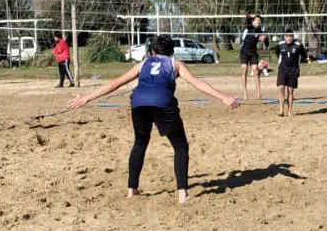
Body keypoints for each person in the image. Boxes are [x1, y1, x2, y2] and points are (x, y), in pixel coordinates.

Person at [67, 35, 239, 204]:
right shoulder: (176, 63)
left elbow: (114, 83)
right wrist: (223, 97)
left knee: (140, 143)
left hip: (138, 102)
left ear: (151, 52)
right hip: (163, 102)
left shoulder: (142, 64)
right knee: (180, 146)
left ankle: (131, 190)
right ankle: (182, 194)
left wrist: (87, 98)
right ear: (172, 52)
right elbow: (197, 83)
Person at [276, 29, 309, 117]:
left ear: (293, 37)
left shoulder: (298, 45)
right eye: (287, 36)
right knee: (281, 88)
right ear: (284, 37)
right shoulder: (280, 45)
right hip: (282, 70)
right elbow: (277, 54)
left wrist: (298, 64)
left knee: (290, 91)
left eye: (291, 36)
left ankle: (290, 111)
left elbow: (304, 55)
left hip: (293, 71)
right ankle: (281, 110)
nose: (289, 38)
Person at [239, 14, 266, 101]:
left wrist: (264, 39)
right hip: (244, 51)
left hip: (253, 52)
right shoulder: (249, 27)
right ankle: (245, 94)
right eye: (256, 20)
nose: (258, 22)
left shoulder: (260, 30)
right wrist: (251, 16)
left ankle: (258, 94)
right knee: (244, 69)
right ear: (253, 21)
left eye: (259, 21)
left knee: (255, 70)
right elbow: (247, 19)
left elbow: (265, 40)